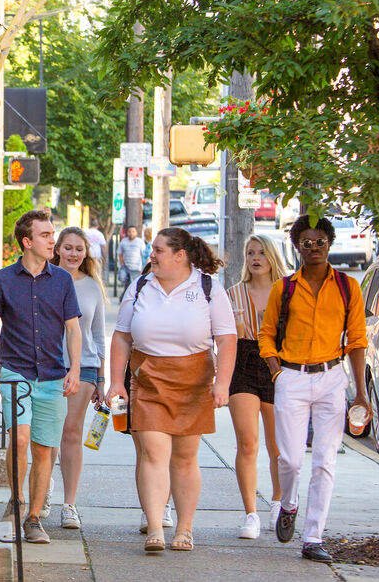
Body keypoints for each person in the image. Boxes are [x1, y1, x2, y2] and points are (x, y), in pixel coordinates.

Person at [105, 227, 237, 553]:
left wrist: (222, 383)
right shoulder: (140, 285)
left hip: (194, 380)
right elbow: (122, 336)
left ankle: (185, 529)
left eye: (158, 250)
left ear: (180, 256)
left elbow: (226, 338)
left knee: (185, 457)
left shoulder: (207, 287)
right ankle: (154, 528)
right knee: (152, 452)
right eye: (152, 250)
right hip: (147, 377)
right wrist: (116, 382)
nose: (152, 255)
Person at [259, 215, 369, 563]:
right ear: (297, 247)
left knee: (324, 462)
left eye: (320, 241)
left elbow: (357, 340)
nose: (314, 248)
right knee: (290, 459)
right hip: (291, 376)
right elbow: (266, 334)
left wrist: (362, 392)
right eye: (306, 243)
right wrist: (276, 371)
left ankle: (313, 536)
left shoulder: (348, 287)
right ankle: (289, 504)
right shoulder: (285, 288)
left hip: (331, 377)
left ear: (329, 243)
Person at [0, 209, 83, 544]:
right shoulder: (2, 280)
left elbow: (73, 329)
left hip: (52, 375)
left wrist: (75, 369)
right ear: (27, 241)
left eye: (52, 235)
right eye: (45, 235)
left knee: (44, 449)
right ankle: (17, 496)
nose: (53, 241)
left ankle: (34, 518)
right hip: (15, 370)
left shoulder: (63, 281)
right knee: (20, 439)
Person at [226, 234, 287, 539]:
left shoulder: (289, 292)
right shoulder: (233, 294)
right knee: (247, 443)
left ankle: (277, 502)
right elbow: (224, 338)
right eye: (250, 252)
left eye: (262, 252)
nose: (255, 257)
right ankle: (251, 513)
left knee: (278, 447)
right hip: (243, 363)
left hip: (278, 365)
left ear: (272, 256)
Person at [47, 227, 106, 530]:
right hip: (49, 366)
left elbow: (98, 335)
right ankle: (44, 489)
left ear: (86, 253)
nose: (73, 253)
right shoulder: (45, 280)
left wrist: (103, 377)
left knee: (71, 431)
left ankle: (69, 504)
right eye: (67, 247)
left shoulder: (92, 287)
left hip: (84, 367)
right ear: (57, 249)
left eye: (79, 249)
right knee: (48, 431)